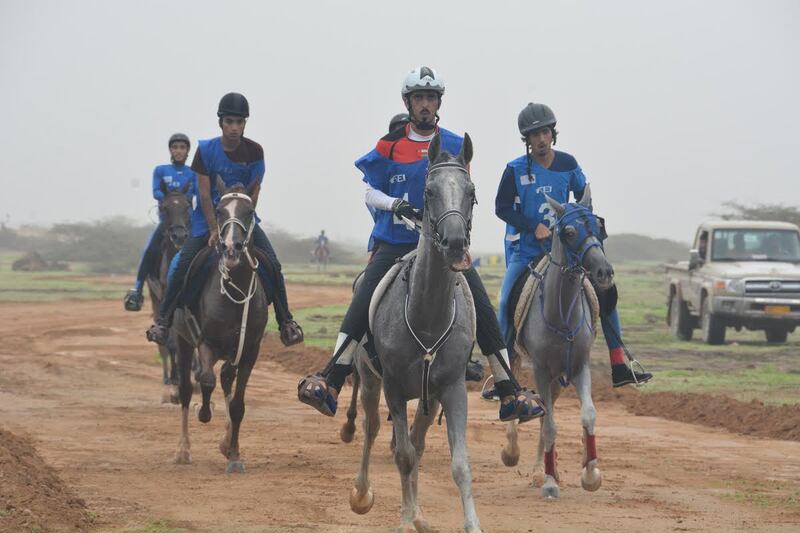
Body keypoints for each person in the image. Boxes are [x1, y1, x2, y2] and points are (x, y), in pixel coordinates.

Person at [297, 67, 541, 421]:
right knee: (365, 292)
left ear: (438, 102)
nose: (425, 105)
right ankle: (333, 377)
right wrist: (394, 203)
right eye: (419, 99)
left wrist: (458, 237)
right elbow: (369, 190)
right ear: (408, 103)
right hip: (394, 243)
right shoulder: (389, 145)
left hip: (443, 248)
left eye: (430, 98)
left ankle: (507, 387)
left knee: (481, 305)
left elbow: (462, 192)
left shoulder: (455, 145)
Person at [495, 102, 652, 387]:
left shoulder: (568, 164)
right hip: (527, 252)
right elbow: (501, 208)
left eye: (544, 132)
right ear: (527, 140)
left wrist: (584, 226)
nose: (541, 139)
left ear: (552, 134)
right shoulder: (514, 170)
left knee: (606, 293)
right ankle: (503, 376)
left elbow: (583, 200)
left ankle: (619, 365)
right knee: (505, 302)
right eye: (534, 135)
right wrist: (534, 226)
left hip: (566, 251)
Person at [145, 93, 303, 347]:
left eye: (239, 122)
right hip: (206, 220)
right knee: (181, 264)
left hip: (241, 220)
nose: (234, 127)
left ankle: (286, 322)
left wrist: (244, 224)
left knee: (273, 264)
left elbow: (254, 193)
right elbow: (205, 194)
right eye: (229, 121)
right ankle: (163, 321)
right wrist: (213, 229)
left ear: (244, 124)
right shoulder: (206, 150)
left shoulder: (255, 151)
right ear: (221, 123)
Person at [124, 133, 196, 311]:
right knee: (150, 248)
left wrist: (179, 195)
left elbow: (193, 192)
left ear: (187, 151)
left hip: (188, 222)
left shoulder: (192, 172)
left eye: (182, 148)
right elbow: (156, 191)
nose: (178, 151)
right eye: (175, 147)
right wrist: (172, 195)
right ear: (171, 150)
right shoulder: (161, 170)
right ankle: (137, 289)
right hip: (167, 222)